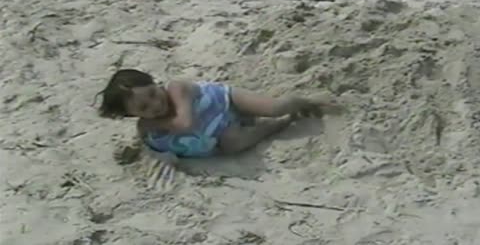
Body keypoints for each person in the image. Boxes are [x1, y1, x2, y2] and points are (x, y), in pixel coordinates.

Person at [95, 69, 341, 186]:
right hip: (218, 133)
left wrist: (152, 121)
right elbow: (156, 150)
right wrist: (162, 159)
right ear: (132, 115)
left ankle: (303, 102)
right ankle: (280, 125)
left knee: (275, 106)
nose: (155, 104)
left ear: (154, 81)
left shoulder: (176, 89)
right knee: (233, 145)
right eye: (144, 108)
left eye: (151, 94)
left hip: (226, 102)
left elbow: (185, 123)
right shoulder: (145, 128)